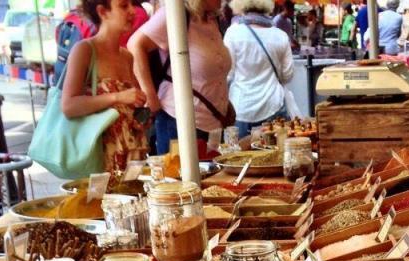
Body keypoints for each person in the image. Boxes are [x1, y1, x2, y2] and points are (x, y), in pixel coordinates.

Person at [128, 0, 232, 155]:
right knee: (181, 178)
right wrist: (150, 94)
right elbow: (136, 45)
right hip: (178, 122)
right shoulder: (174, 14)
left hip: (213, 123)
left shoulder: (212, 20)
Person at [62, 0, 148, 172]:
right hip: (100, 159)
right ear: (102, 12)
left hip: (130, 158)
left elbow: (132, 107)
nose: (133, 11)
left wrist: (142, 113)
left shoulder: (127, 56)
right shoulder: (85, 50)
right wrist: (117, 97)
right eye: (124, 6)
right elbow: (68, 106)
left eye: (132, 4)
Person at [224, 0, 292, 137]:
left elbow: (227, 74)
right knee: (277, 156)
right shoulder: (280, 36)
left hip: (241, 108)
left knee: (239, 156)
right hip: (273, 105)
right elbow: (287, 75)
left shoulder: (233, 34)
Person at [55, 4, 96, 83]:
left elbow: (57, 34)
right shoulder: (93, 23)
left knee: (58, 92)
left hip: (60, 63)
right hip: (77, 70)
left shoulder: (70, 15)